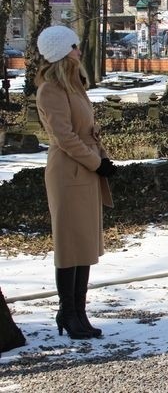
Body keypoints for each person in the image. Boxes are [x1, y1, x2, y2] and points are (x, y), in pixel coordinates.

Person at [35, 25, 117, 340]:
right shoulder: (50, 90)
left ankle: (78, 312)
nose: (79, 51)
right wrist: (97, 163)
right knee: (70, 246)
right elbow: (65, 137)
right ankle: (68, 313)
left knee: (83, 245)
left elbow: (82, 130)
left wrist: (100, 159)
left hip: (84, 170)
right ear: (61, 53)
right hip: (68, 173)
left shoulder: (73, 86)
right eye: (74, 46)